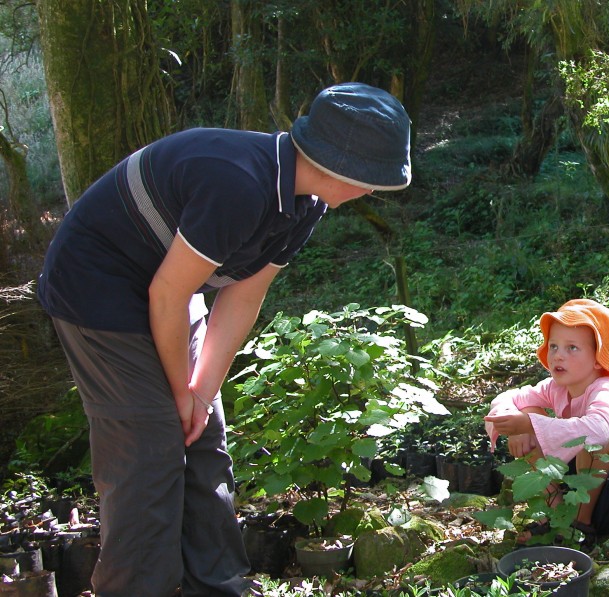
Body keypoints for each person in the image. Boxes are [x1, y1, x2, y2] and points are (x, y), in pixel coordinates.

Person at [37, 82, 411, 597]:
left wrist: (202, 392)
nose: (372, 192)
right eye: (372, 181)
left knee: (202, 437)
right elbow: (168, 295)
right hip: (98, 287)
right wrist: (177, 394)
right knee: (149, 447)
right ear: (338, 166)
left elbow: (241, 296)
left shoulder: (305, 204)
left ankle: (218, 586)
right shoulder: (238, 182)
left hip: (168, 283)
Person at [484, 299, 609, 546]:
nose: (558, 355)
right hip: (578, 490)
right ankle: (557, 518)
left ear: (598, 358)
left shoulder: (608, 391)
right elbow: (506, 398)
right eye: (553, 346)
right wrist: (517, 428)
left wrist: (529, 424)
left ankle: (580, 526)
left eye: (572, 348)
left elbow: (598, 431)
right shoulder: (556, 388)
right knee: (528, 407)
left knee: (599, 436)